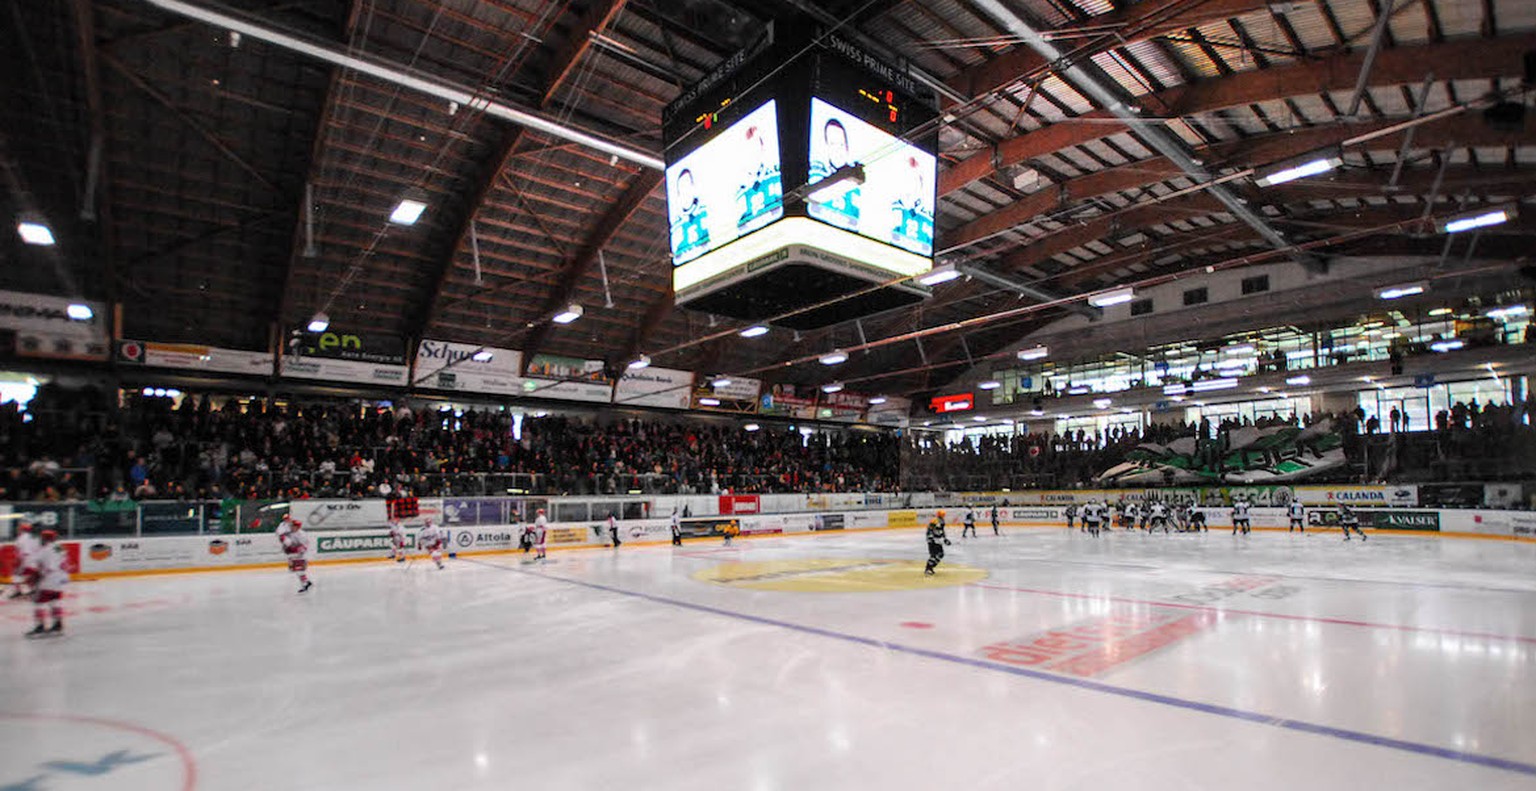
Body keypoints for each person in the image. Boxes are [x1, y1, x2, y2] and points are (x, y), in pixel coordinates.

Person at [23, 529, 68, 637]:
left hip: (49, 579)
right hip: (61, 580)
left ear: (45, 539)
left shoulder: (45, 550)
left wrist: (34, 578)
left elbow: (45, 567)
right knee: (55, 600)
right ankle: (58, 625)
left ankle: (40, 627)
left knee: (39, 602)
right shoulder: (61, 548)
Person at [275, 516, 313, 594]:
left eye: (293, 526)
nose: (291, 527)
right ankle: (306, 582)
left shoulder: (302, 535)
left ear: (297, 527)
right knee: (296, 570)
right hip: (294, 554)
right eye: (291, 525)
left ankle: (305, 584)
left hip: (301, 554)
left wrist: (294, 549)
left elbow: (304, 547)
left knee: (299, 570)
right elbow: (281, 535)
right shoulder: (290, 532)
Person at [8, 522, 40, 599]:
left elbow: (22, 551)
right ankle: (34, 590)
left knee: (16, 574)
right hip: (35, 559)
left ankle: (18, 591)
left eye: (19, 529)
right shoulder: (35, 537)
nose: (18, 530)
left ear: (22, 530)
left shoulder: (21, 538)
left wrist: (18, 561)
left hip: (25, 559)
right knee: (30, 575)